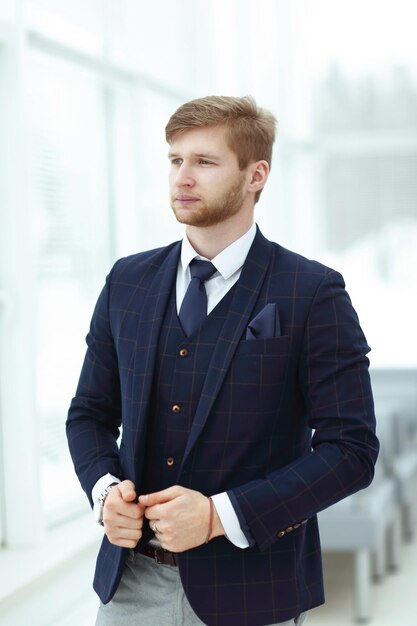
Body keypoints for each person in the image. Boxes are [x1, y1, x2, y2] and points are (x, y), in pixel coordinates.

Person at [66, 95, 379, 626]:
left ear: (255, 175)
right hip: (131, 588)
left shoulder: (313, 292)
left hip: (254, 589)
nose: (183, 177)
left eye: (204, 162)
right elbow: (89, 414)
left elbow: (351, 450)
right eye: (175, 160)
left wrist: (218, 516)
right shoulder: (126, 281)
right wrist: (103, 492)